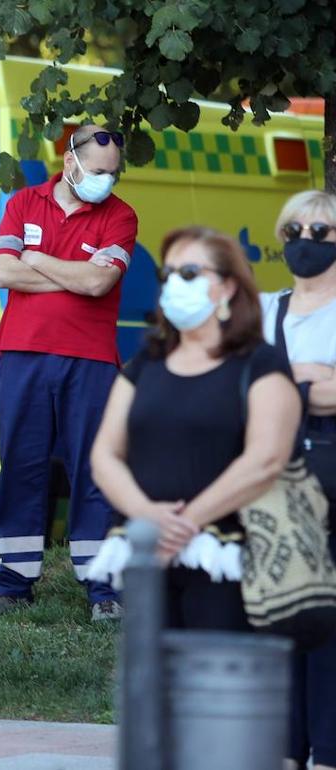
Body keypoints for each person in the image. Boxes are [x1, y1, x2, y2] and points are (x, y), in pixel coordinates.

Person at [89, 226, 299, 631]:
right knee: (154, 686)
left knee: (218, 685)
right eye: (167, 275)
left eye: (189, 273)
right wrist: (148, 517)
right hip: (147, 554)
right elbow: (104, 455)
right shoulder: (146, 364)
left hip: (230, 559)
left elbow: (266, 459)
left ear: (228, 287)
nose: (173, 285)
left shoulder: (261, 364)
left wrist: (184, 526)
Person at [0, 125, 136, 621]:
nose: (105, 181)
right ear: (70, 164)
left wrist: (38, 260)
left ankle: (103, 590)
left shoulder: (121, 215)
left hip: (92, 358)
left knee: (94, 468)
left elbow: (100, 282)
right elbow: (3, 273)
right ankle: (12, 586)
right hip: (22, 353)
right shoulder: (22, 202)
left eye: (112, 173)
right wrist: (71, 275)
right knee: (21, 462)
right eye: (98, 171)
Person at [259, 191, 336, 770]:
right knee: (283, 615)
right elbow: (241, 393)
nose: (306, 241)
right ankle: (287, 750)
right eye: (295, 231)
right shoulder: (265, 310)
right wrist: (313, 382)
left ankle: (328, 751)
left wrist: (288, 384)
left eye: (321, 231)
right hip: (276, 479)